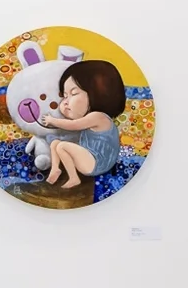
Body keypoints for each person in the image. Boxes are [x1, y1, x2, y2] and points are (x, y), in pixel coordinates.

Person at [37, 59, 127, 190]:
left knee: (62, 146)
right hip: (89, 157)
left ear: (97, 94)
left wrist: (53, 120)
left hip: (98, 163)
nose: (65, 101)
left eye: (73, 94)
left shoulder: (98, 117)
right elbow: (73, 118)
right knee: (55, 143)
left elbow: (73, 125)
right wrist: (66, 108)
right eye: (65, 96)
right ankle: (55, 169)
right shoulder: (92, 117)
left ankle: (74, 178)